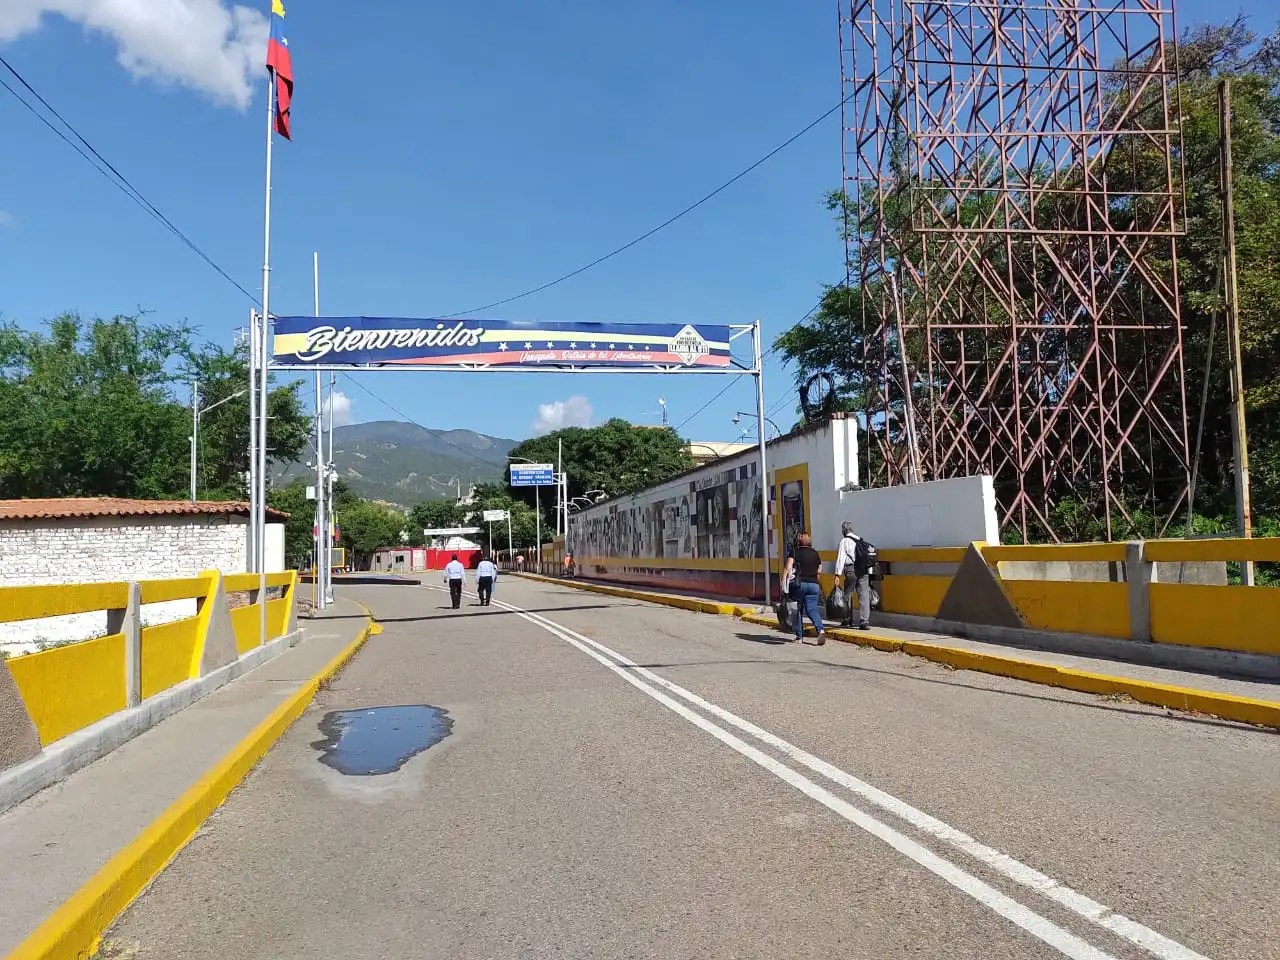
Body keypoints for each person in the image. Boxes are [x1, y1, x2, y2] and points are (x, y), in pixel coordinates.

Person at [780, 532, 826, 645]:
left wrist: (783, 580)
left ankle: (799, 637)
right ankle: (820, 630)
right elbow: (819, 570)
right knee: (812, 610)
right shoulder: (815, 554)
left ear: (798, 541)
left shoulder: (795, 552)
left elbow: (788, 567)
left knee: (797, 610)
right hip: (814, 585)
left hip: (799, 585)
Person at [834, 521, 871, 630]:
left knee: (847, 595)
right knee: (864, 596)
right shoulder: (860, 540)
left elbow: (841, 558)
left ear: (844, 530)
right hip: (863, 570)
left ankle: (847, 619)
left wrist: (837, 574)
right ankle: (864, 621)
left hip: (851, 570)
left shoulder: (844, 541)